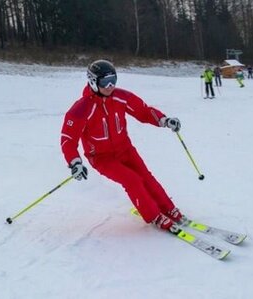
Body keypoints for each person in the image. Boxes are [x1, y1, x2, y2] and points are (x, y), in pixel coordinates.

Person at [60, 59, 186, 233]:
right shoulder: (81, 109)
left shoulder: (120, 97)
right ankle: (154, 215)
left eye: (114, 80)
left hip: (125, 149)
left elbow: (143, 111)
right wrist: (75, 162)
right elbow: (68, 139)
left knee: (145, 176)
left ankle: (168, 208)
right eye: (105, 81)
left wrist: (164, 120)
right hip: (102, 158)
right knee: (132, 180)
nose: (110, 85)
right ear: (93, 81)